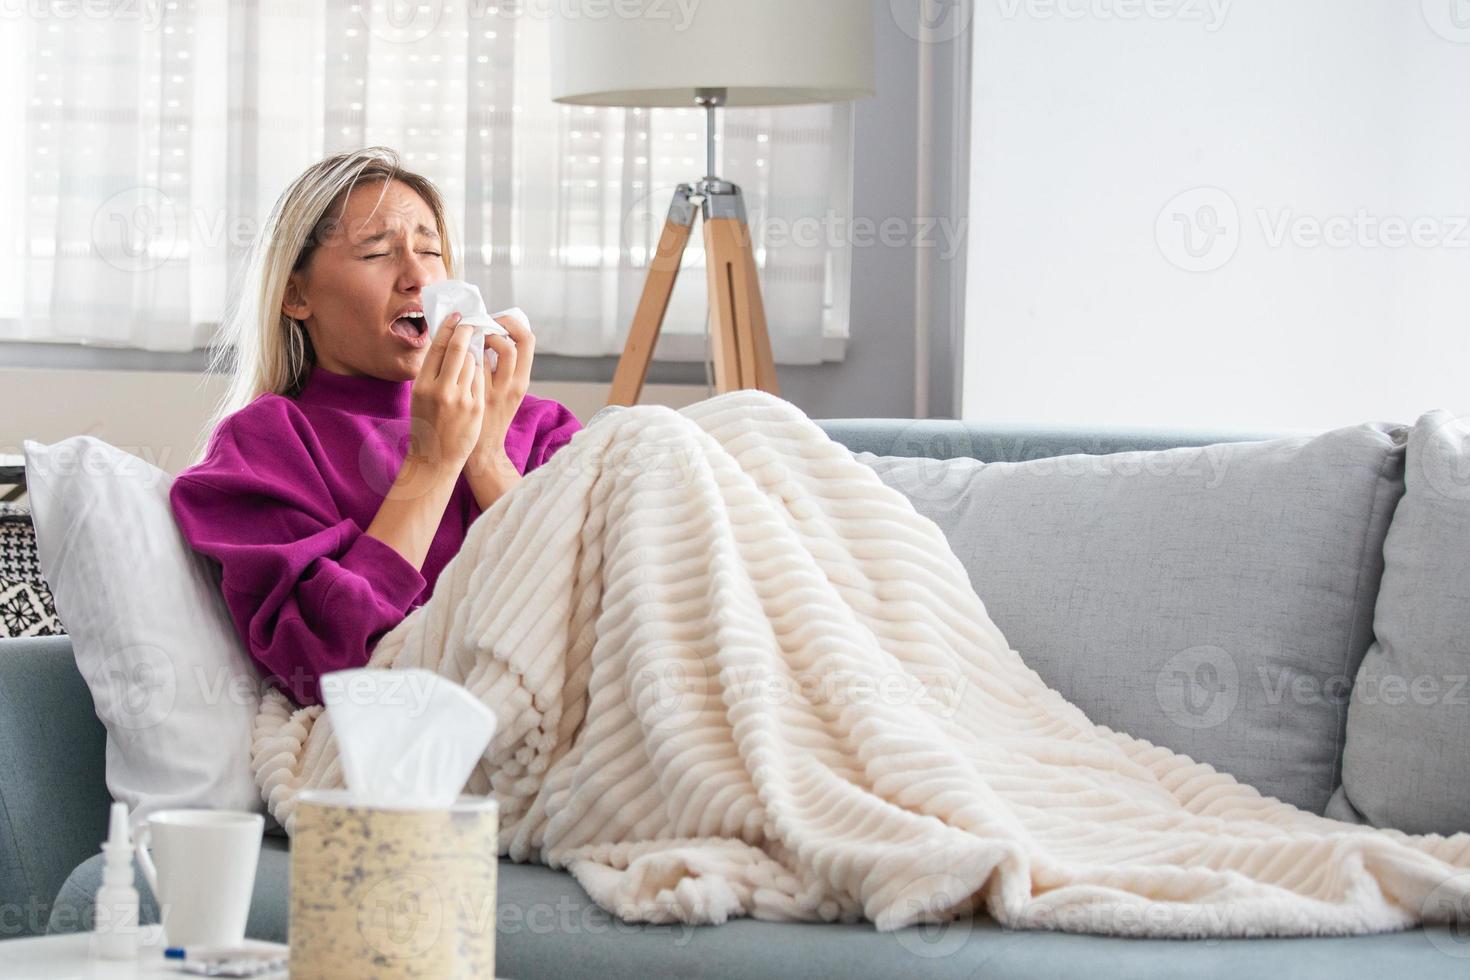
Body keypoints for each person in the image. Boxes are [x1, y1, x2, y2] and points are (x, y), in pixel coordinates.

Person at [169, 147, 582, 708]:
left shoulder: (536, 425)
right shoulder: (265, 446)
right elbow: (323, 663)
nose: (417, 276)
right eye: (377, 252)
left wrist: (486, 458)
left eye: (430, 250)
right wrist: (433, 463)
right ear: (296, 295)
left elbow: (592, 613)